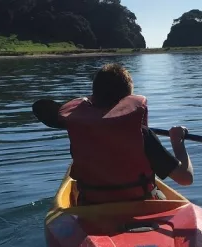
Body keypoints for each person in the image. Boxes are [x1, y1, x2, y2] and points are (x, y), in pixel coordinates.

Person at [57, 63, 194, 205]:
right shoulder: (142, 135)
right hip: (141, 207)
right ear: (128, 99)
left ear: (94, 96)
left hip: (92, 207)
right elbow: (185, 178)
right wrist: (177, 141)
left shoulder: (82, 131)